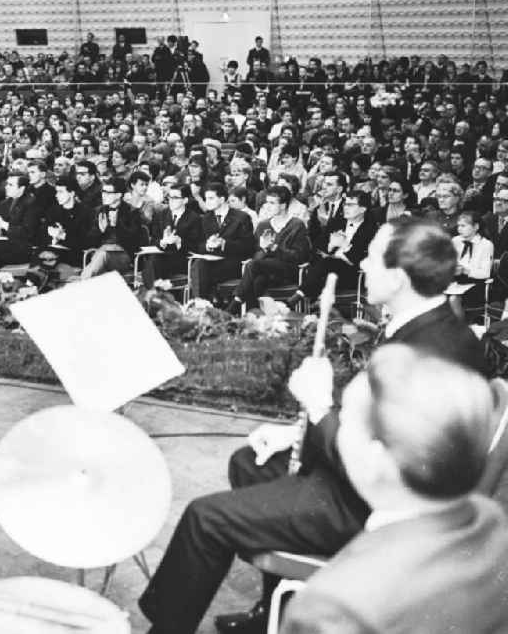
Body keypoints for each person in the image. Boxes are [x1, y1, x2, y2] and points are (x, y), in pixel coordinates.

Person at [138, 217, 488, 634]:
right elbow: (378, 421)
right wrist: (294, 432)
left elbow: (390, 471)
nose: (361, 265)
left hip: (369, 503)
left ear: (396, 277)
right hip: (363, 481)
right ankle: (274, 612)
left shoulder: (433, 352)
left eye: (371, 258)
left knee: (204, 518)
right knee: (249, 463)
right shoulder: (425, 327)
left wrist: (321, 409)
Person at [281, 345, 508, 634]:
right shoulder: (489, 519)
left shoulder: (334, 608)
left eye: (346, 418)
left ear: (377, 459)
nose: (340, 427)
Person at [230, 186, 311, 311]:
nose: (267, 206)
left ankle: (235, 305)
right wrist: (263, 250)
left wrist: (274, 248)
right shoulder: (263, 225)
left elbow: (299, 256)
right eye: (266, 202)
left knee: (253, 266)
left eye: (272, 203)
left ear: (283, 205)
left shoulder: (297, 225)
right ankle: (259, 316)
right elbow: (255, 253)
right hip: (265, 271)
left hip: (287, 270)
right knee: (257, 281)